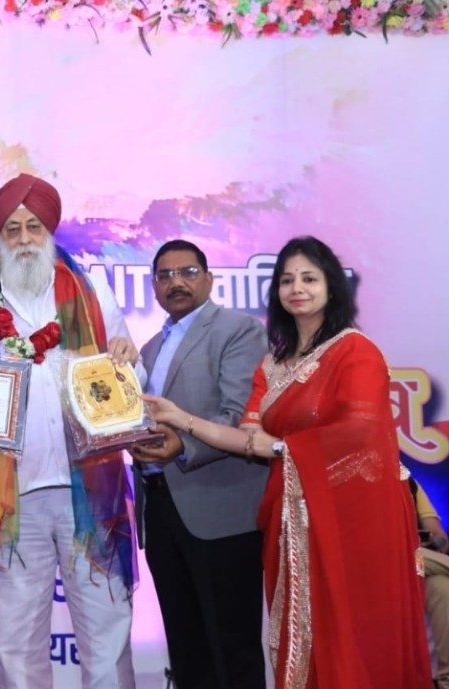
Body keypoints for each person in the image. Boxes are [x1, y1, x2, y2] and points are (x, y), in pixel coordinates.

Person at [144, 235, 430, 689]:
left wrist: (282, 449)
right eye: (287, 280)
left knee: (353, 635)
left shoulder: (355, 351)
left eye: (309, 279)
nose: (297, 289)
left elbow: (359, 433)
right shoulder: (275, 365)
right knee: (298, 638)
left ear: (331, 286)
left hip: (352, 521)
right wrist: (181, 419)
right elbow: (247, 436)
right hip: (292, 521)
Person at [0, 173, 144, 689]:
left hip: (92, 494)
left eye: (34, 227)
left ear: (50, 231)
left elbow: (132, 379)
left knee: (106, 634)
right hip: (11, 498)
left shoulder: (92, 291)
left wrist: (129, 360)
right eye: (11, 230)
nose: (24, 239)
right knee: (16, 642)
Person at [129, 240, 268, 689]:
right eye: (165, 275)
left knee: (232, 649)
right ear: (154, 287)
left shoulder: (238, 330)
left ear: (209, 278)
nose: (176, 282)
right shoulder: (149, 348)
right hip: (160, 508)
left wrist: (181, 445)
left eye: (187, 272)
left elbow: (239, 416)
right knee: (186, 649)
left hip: (219, 509)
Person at [413, 479, 449, 689]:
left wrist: (434, 542)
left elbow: (438, 534)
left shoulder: (408, 481)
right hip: (379, 559)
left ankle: (445, 681)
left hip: (418, 560)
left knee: (443, 588)